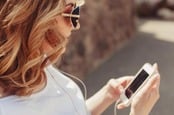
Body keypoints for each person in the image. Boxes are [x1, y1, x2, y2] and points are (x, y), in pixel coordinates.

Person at [0, 0, 160, 115]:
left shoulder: (38, 61)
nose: (76, 25)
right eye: (72, 12)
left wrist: (107, 95)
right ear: (37, 17)